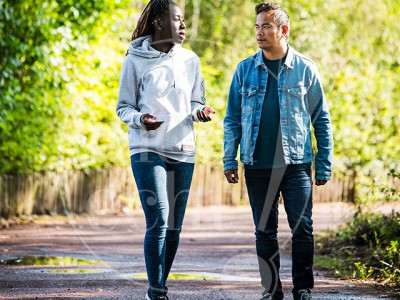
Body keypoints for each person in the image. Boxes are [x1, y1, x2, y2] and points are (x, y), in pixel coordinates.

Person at [223, 2, 333, 300]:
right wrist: (229, 158)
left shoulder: (305, 69)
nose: (259, 32)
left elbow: (321, 119)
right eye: (257, 27)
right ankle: (271, 290)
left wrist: (323, 164)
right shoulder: (245, 70)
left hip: (296, 163)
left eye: (266, 27)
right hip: (256, 164)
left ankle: (303, 288)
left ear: (283, 30)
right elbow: (232, 119)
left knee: (303, 229)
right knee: (264, 231)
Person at [116, 1, 215, 299]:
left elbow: (196, 102)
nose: (183, 25)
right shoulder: (134, 60)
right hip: (146, 148)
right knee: (158, 218)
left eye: (184, 20)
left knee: (174, 227)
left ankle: (159, 285)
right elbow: (123, 108)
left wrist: (200, 112)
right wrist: (140, 120)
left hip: (183, 148)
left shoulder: (191, 60)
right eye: (177, 19)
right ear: (159, 22)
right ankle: (157, 291)